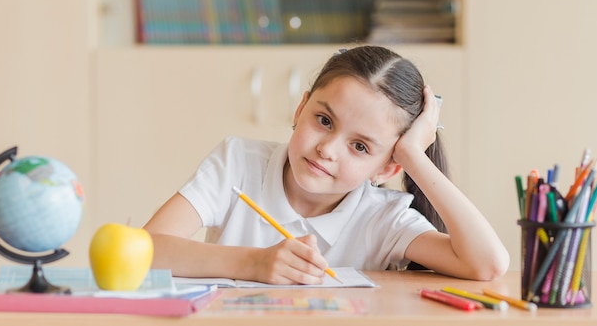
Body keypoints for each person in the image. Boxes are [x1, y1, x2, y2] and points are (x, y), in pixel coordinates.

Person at [144, 45, 509, 285]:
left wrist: (414, 157)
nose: (328, 150)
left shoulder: (382, 219)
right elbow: (146, 251)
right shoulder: (238, 163)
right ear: (300, 108)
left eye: (361, 146)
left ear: (388, 168)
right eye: (324, 121)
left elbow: (488, 264)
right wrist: (253, 264)